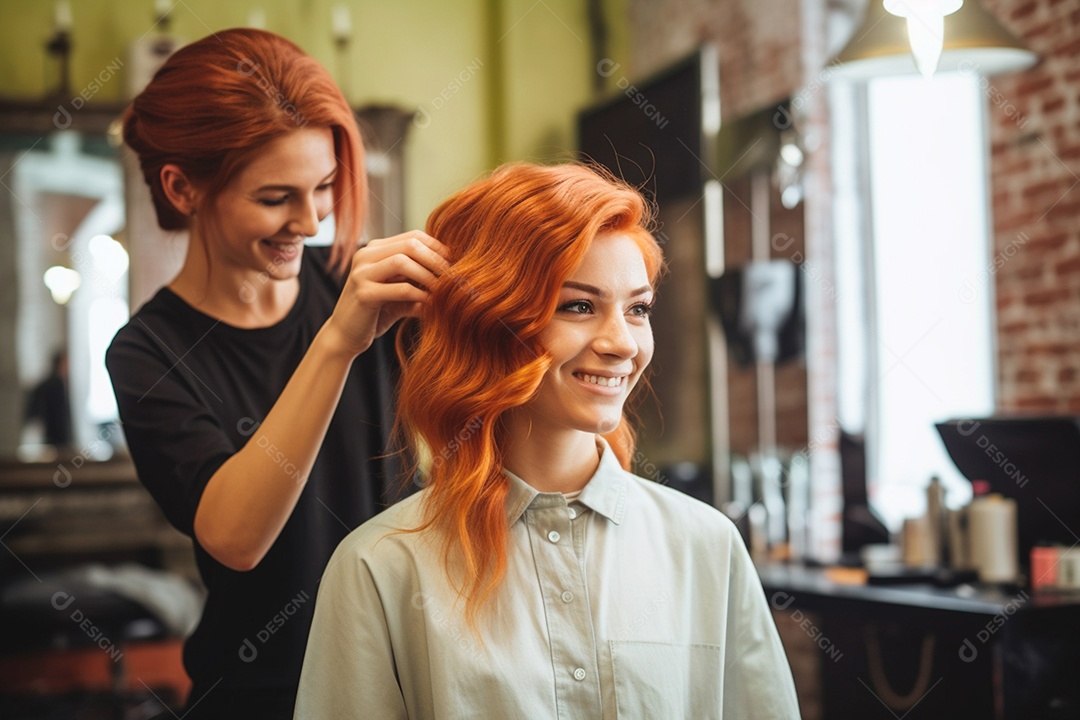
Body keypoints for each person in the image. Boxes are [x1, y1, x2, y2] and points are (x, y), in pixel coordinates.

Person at [295, 163, 800, 719]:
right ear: (487, 323)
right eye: (578, 306)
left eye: (638, 309)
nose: (622, 344)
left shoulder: (708, 546)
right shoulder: (379, 568)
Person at [106, 28, 448, 719]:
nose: (311, 218)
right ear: (183, 188)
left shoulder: (364, 285)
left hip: (409, 675)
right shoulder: (147, 353)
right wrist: (335, 344)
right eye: (275, 197)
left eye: (323, 187)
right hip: (265, 696)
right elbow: (236, 536)